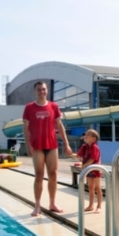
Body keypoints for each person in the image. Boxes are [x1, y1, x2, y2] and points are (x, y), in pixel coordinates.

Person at [22, 81, 73, 216]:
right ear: (35, 91)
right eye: (39, 90)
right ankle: (37, 205)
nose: (42, 92)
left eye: (44, 89)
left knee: (53, 174)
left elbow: (60, 126)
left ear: (47, 91)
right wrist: (28, 146)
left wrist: (66, 143)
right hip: (37, 146)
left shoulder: (54, 106)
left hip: (52, 145)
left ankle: (52, 203)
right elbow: (25, 129)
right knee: (39, 175)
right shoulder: (29, 107)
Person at [73, 129, 103, 212]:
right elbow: (78, 155)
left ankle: (99, 206)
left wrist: (84, 165)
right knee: (90, 188)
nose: (85, 136)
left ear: (93, 139)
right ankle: (91, 205)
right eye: (86, 134)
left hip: (96, 169)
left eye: (88, 135)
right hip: (89, 169)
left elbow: (92, 159)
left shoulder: (95, 147)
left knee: (97, 188)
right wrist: (70, 153)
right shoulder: (84, 146)